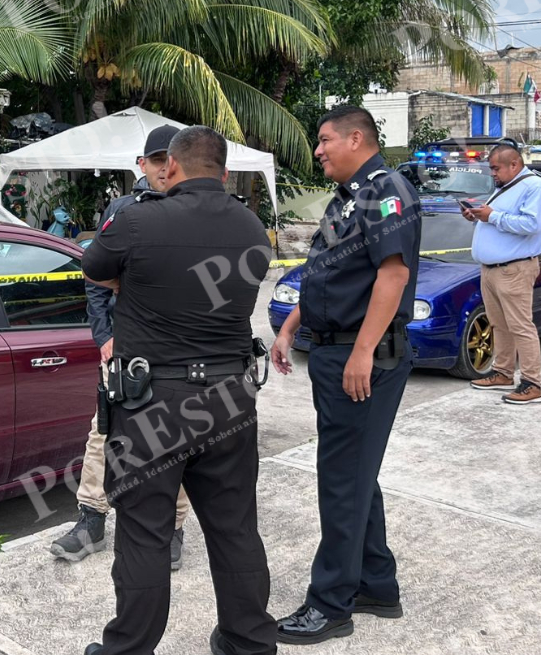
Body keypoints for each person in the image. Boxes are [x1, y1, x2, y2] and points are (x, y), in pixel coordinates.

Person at [82, 126, 275, 655]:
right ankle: (249, 642)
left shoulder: (138, 221)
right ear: (226, 172)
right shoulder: (252, 226)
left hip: (153, 401)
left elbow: (94, 269)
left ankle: (128, 649)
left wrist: (135, 282)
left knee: (145, 530)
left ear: (169, 168)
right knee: (235, 528)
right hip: (230, 397)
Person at [270, 105, 420, 645]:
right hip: (335, 352)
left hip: (365, 361)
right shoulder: (351, 196)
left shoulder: (386, 189)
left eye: (325, 139)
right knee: (355, 476)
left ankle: (330, 604)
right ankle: (376, 584)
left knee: (340, 483)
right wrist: (289, 326)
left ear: (357, 138)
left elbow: (393, 274)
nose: (318, 150)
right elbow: (326, 273)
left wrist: (362, 351)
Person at [51, 124, 193, 570]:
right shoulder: (124, 208)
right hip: (126, 350)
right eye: (154, 161)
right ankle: (91, 520)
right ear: (144, 164)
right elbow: (94, 276)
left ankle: (173, 529)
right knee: (103, 433)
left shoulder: (197, 211)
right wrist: (105, 336)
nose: (162, 171)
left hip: (180, 353)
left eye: (168, 161)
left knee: (177, 439)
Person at [461, 143, 541, 404]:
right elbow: (498, 219)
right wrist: (477, 215)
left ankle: (532, 383)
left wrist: (492, 216)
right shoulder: (505, 188)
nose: (492, 173)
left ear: (514, 164)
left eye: (496, 168)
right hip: (492, 270)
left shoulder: (535, 187)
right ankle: (503, 372)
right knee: (498, 324)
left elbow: (532, 224)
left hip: (514, 268)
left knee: (521, 326)